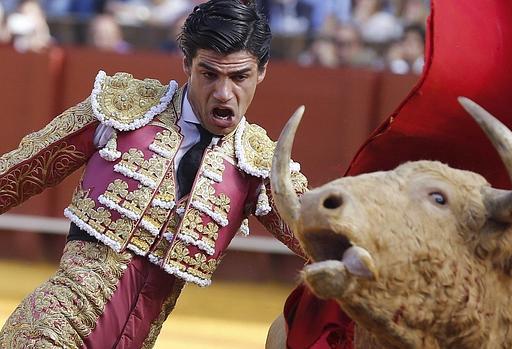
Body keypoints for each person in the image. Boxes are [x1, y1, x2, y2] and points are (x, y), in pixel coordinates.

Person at [0, 1, 307, 348]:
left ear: (262, 71)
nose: (224, 93)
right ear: (186, 64)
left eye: (240, 77)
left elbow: (325, 244)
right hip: (49, 332)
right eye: (209, 74)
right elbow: (14, 174)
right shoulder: (121, 111)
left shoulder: (259, 168)